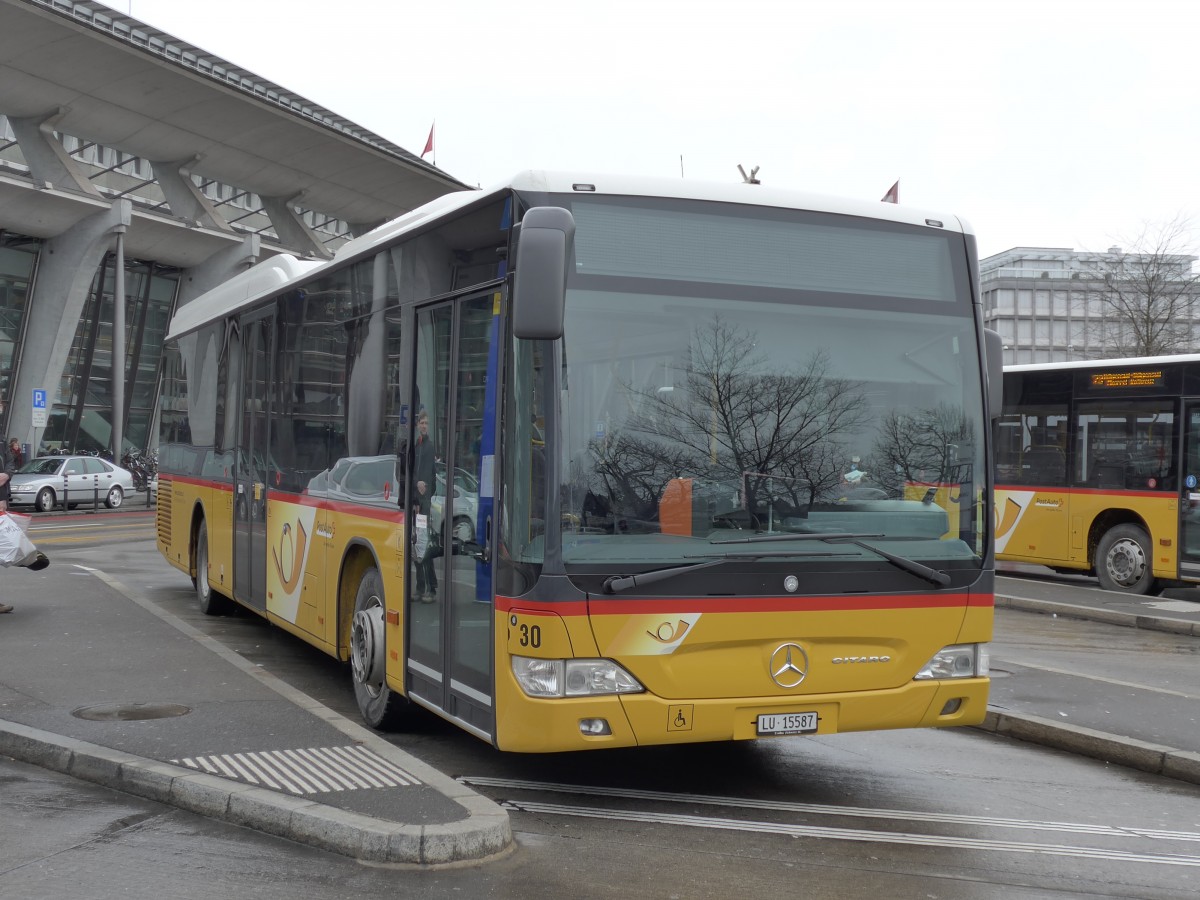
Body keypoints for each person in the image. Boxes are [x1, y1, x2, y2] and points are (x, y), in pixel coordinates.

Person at [411, 411, 438, 603]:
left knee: (423, 545)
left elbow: (430, 477)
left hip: (422, 507)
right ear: (417, 425)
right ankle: (421, 587)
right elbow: (413, 474)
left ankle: (430, 587)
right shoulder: (416, 447)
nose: (424, 426)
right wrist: (416, 486)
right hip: (417, 506)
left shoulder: (428, 447)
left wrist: (424, 497)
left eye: (426, 423)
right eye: (421, 422)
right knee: (416, 547)